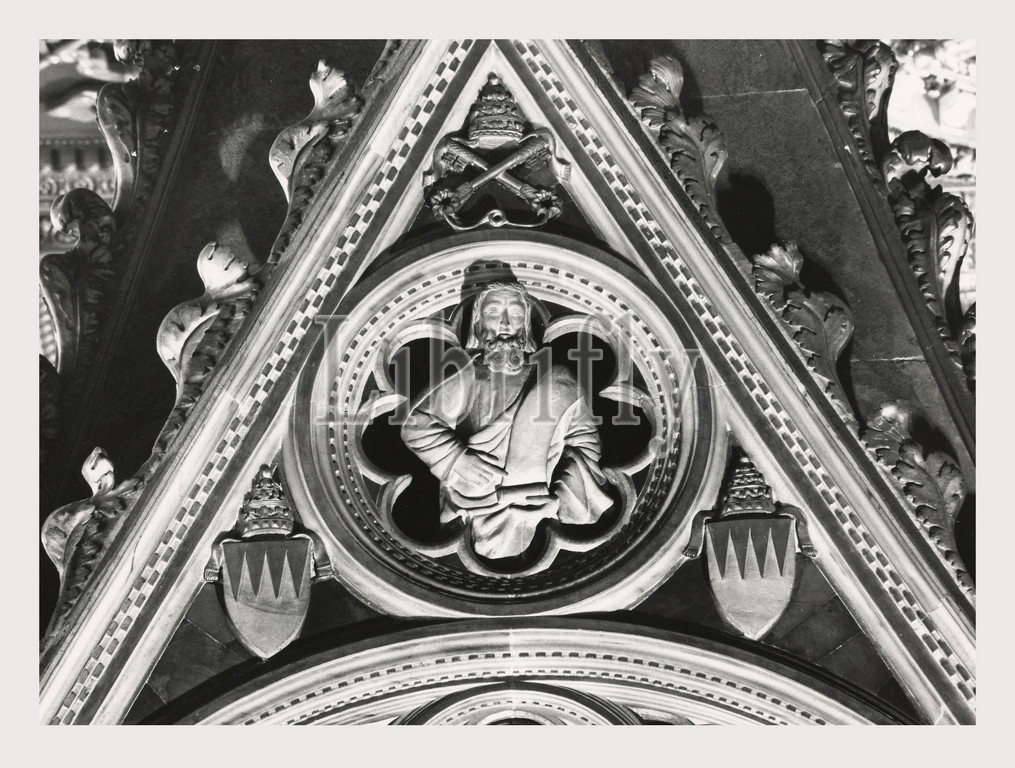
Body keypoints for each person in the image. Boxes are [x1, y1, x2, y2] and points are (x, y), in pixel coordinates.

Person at [401, 282, 613, 559]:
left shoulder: (558, 382)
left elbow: (585, 446)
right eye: (493, 312)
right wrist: (457, 460)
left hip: (537, 508)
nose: (504, 322)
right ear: (478, 325)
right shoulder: (466, 375)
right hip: (475, 506)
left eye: (514, 313)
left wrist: (560, 501)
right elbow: (416, 424)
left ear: (525, 325)